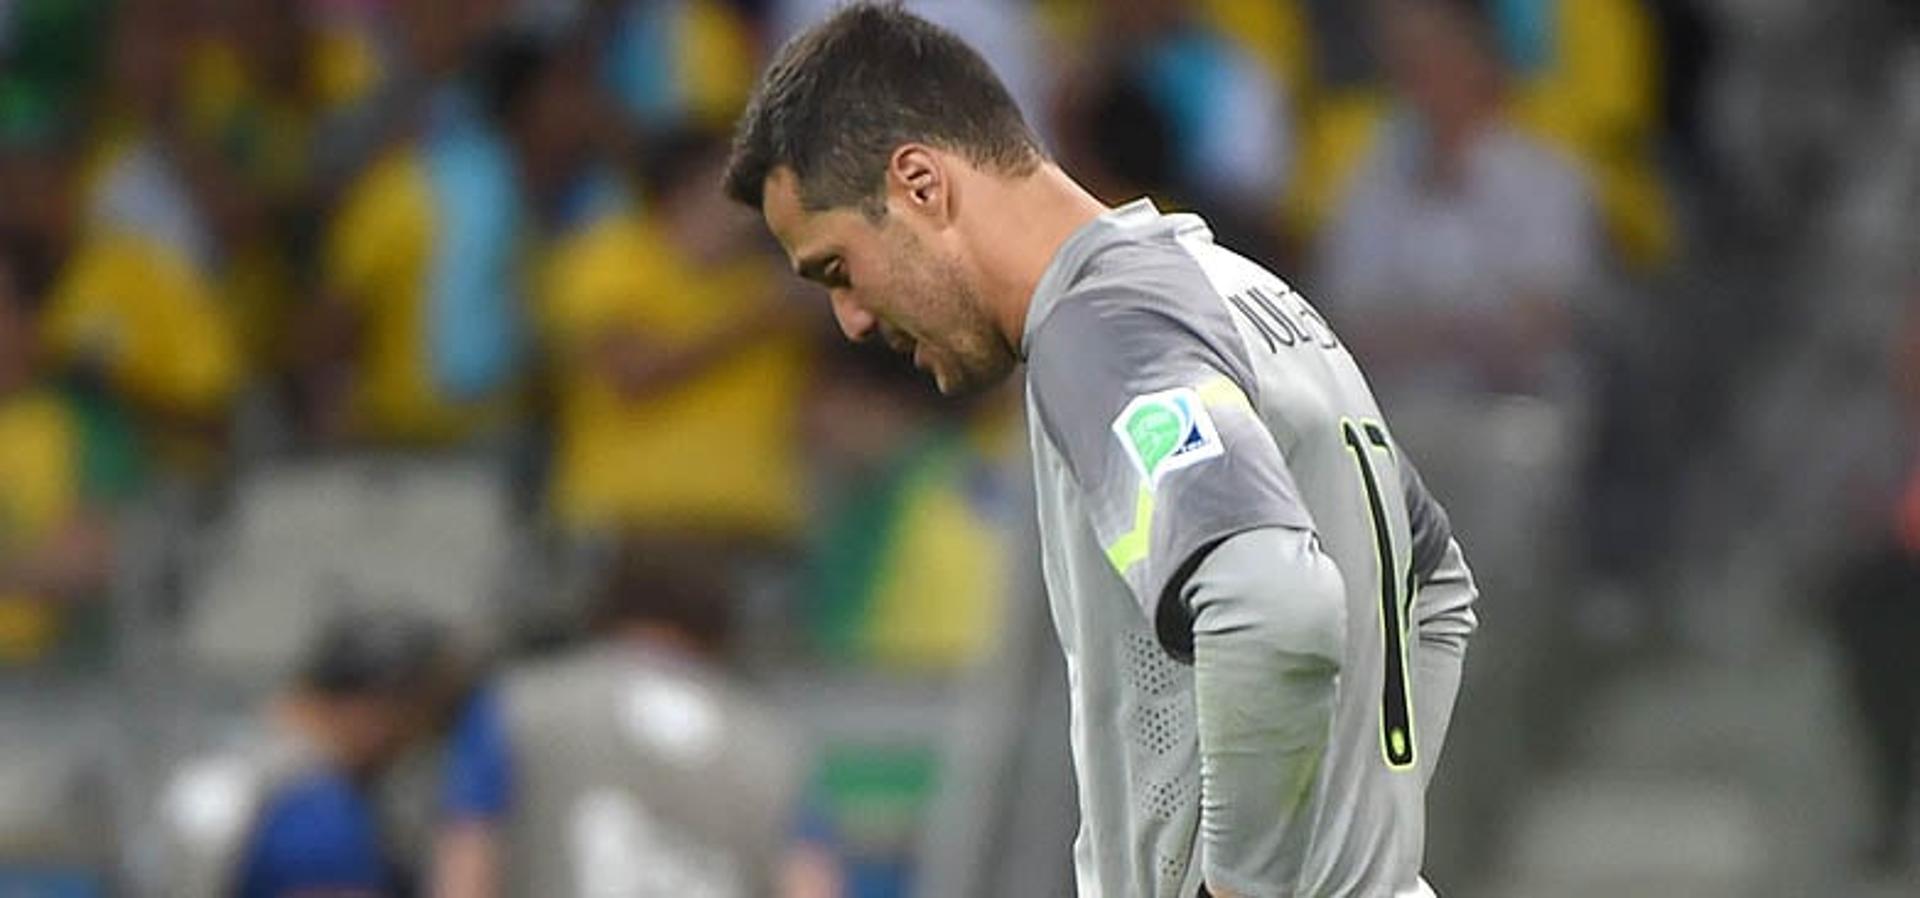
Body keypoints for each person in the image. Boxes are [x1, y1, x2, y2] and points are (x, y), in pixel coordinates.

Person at [724, 5, 1479, 897]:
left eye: (837, 269)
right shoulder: (1246, 295)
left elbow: (1275, 600)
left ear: (922, 184)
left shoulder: (1103, 323)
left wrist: (1246, 886)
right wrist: (1367, 862)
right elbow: (1434, 589)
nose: (848, 320)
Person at [432, 544, 840, 898]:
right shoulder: (770, 743)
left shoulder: (517, 704)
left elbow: (468, 855)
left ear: (602, 604)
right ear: (720, 621)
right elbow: (807, 880)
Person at [156, 608, 456, 897]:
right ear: (377, 709)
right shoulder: (321, 817)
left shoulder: (237, 764)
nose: (415, 742)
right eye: (417, 719)